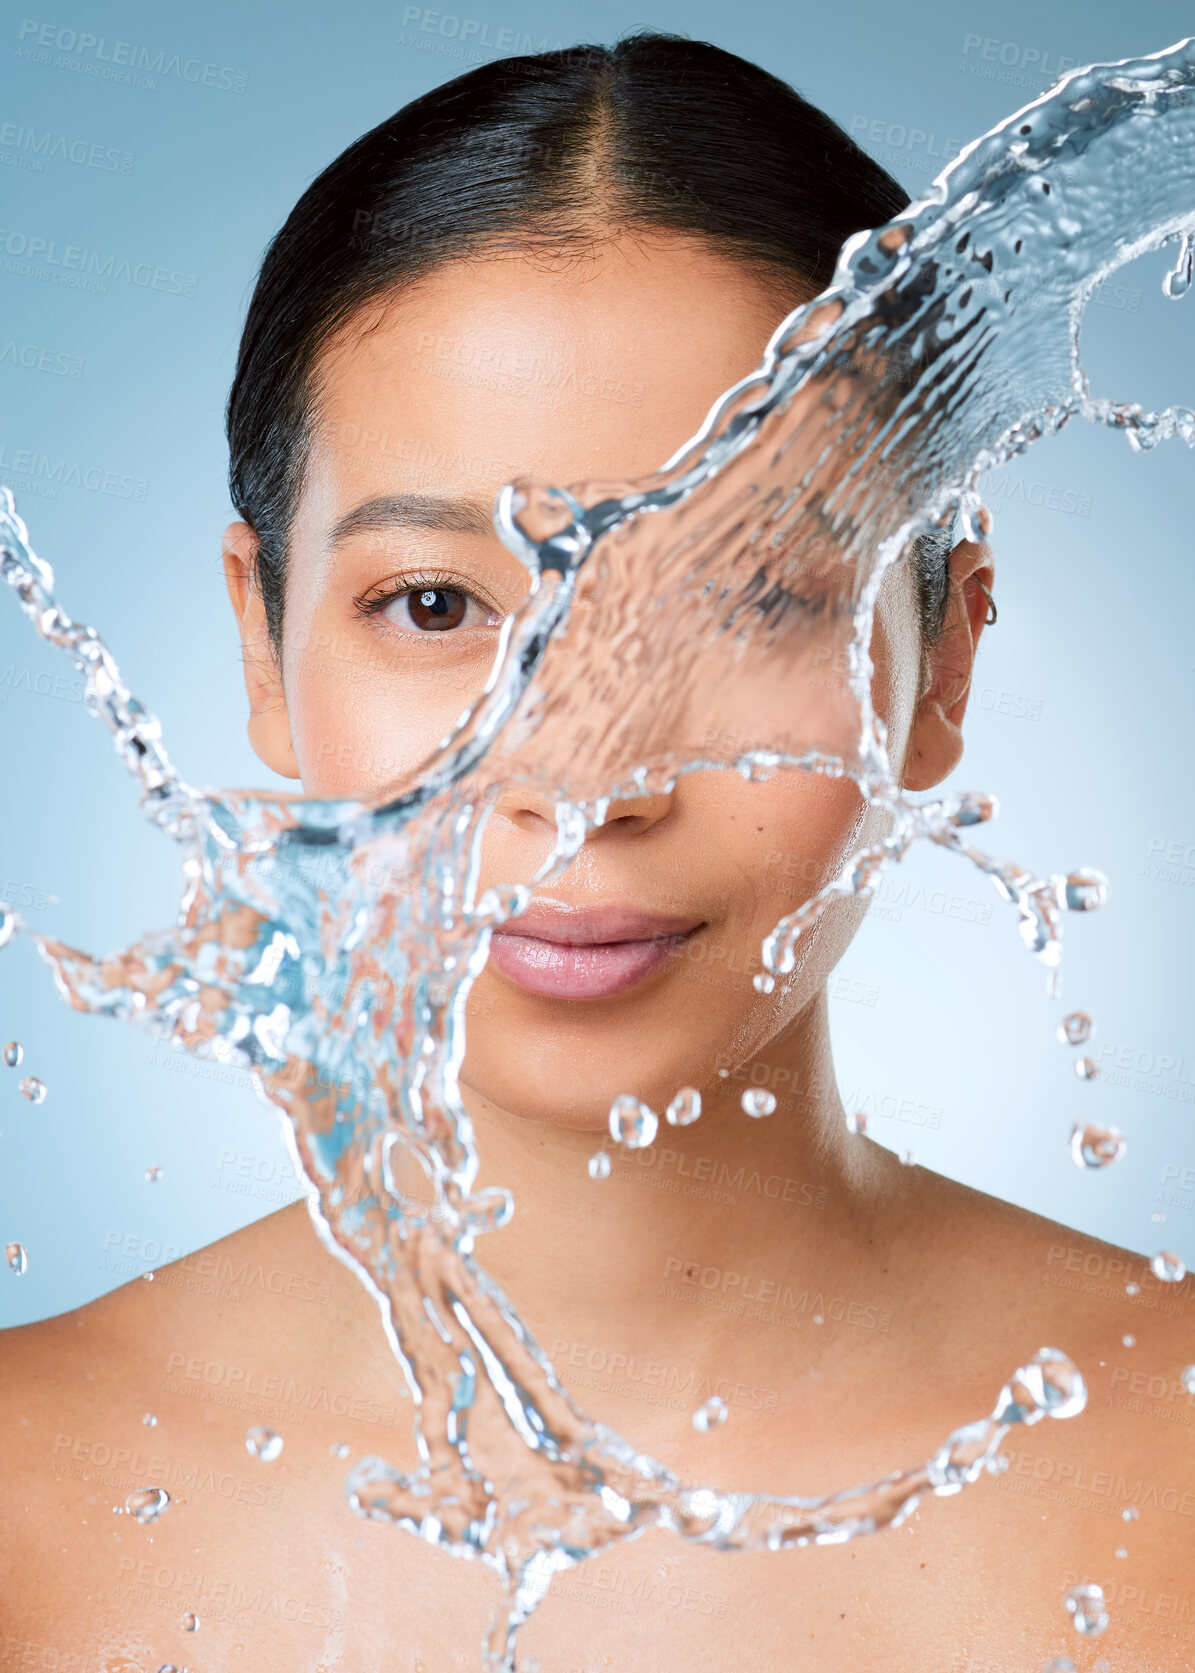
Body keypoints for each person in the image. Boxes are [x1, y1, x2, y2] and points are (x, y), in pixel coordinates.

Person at [1, 33, 1189, 1673]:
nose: (582, 776)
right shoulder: (25, 1508)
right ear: (264, 652)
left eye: (757, 597)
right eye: (435, 606)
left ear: (949, 661)